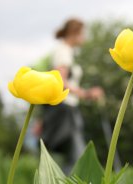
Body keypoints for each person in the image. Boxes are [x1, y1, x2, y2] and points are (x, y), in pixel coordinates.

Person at [37, 18, 103, 172]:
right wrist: (87, 94)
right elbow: (60, 81)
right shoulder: (63, 51)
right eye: (82, 33)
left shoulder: (66, 51)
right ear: (74, 33)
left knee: (73, 156)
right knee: (77, 157)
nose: (84, 37)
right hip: (64, 110)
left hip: (67, 109)